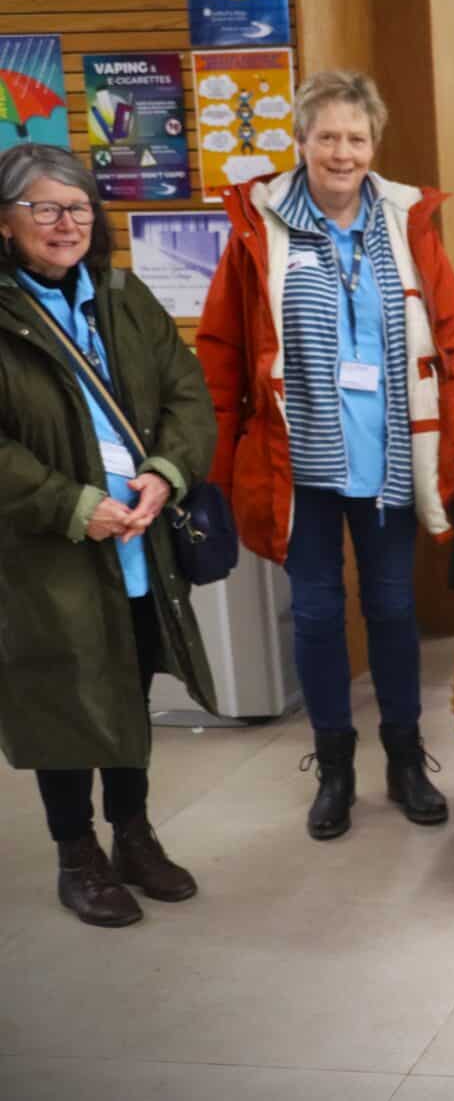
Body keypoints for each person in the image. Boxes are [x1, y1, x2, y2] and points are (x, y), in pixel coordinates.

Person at [198, 70, 454, 843]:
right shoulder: (259, 228)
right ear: (299, 141)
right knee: (320, 615)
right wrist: (217, 467)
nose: (341, 151)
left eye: (356, 138)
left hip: (392, 459)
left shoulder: (407, 223)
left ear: (374, 146)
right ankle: (334, 766)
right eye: (326, 135)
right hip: (303, 468)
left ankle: (402, 756)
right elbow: (222, 353)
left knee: (393, 609)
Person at [0, 145, 218, 926]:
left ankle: (133, 834)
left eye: (80, 208)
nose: (66, 224)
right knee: (60, 697)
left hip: (138, 539)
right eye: (45, 208)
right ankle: (76, 854)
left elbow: (189, 395)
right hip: (44, 549)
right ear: (6, 221)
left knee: (129, 687)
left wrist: (166, 469)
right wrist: (71, 501)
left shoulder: (123, 296)